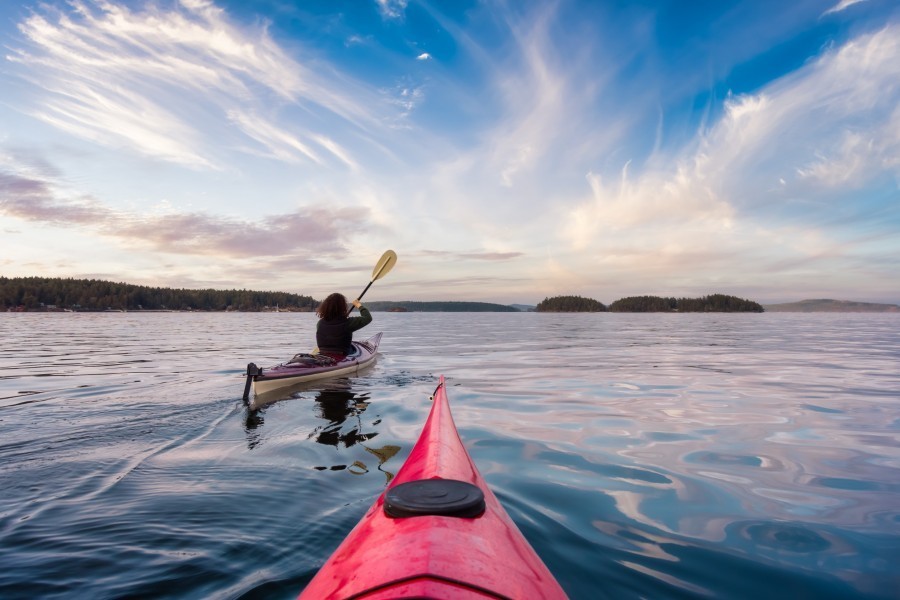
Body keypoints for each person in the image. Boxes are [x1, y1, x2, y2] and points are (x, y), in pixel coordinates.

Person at [315, 293, 372, 360]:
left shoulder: (320, 323)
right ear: (342, 307)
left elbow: (332, 331)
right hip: (341, 354)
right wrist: (359, 305)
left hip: (323, 353)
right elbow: (367, 318)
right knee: (354, 347)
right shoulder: (348, 323)